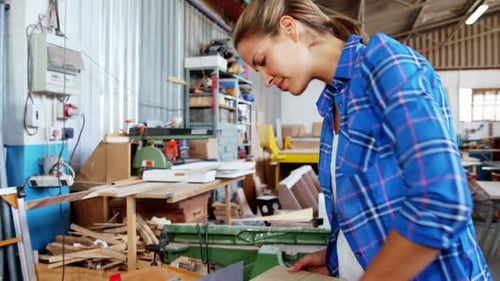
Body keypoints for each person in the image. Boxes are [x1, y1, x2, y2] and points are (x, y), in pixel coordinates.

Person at [232, 0, 492, 280]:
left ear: (289, 28)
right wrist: (338, 258)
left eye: (262, 62)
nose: (266, 80)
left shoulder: (385, 65)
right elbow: (371, 210)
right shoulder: (333, 105)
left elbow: (441, 202)